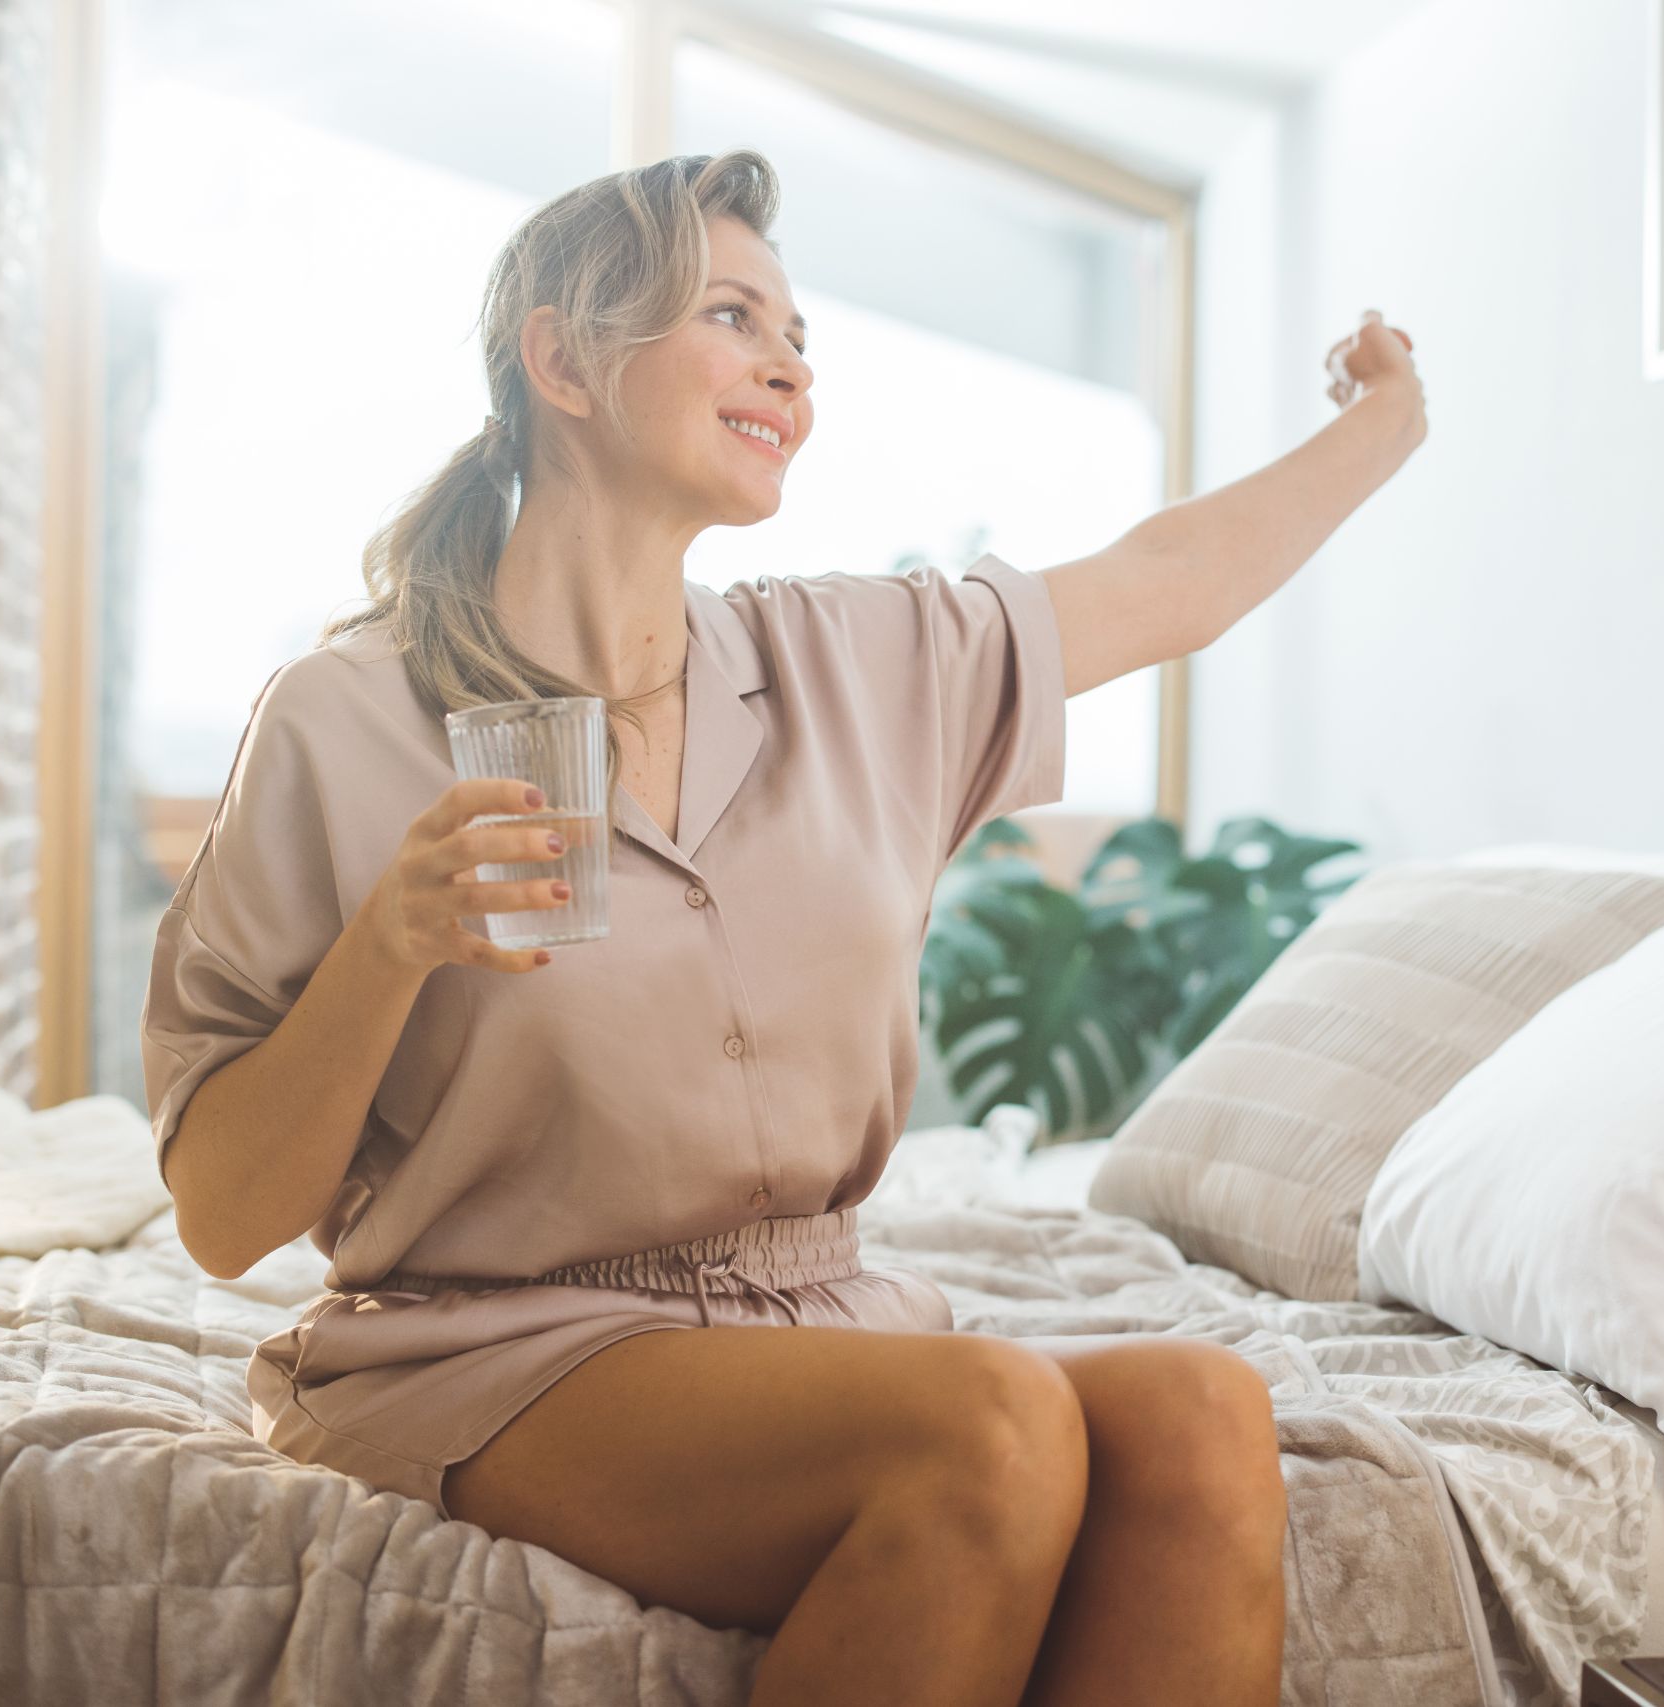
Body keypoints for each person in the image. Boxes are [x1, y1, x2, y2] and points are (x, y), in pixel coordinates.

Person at [143, 148, 1425, 1707]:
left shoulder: (858, 665)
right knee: (994, 1428)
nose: (790, 368)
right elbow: (221, 1213)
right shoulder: (343, 720)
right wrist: (390, 944)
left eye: (801, 339)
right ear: (562, 359)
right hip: (495, 1347)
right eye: (735, 316)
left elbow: (1169, 582)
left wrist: (1386, 428)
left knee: (1208, 1424)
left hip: (818, 1320)